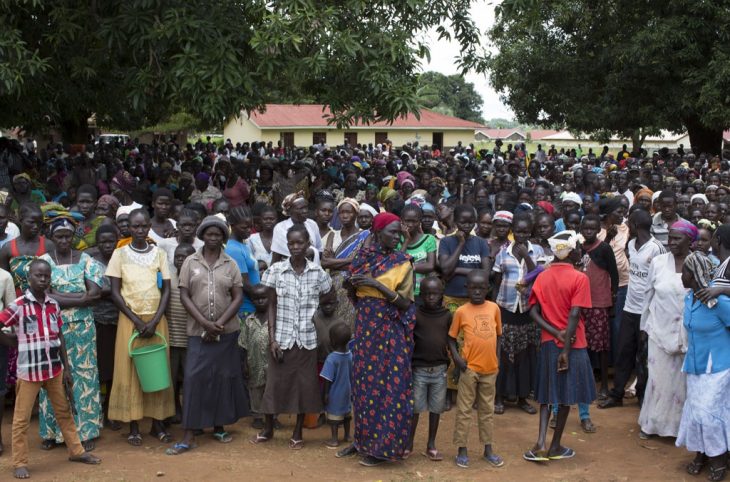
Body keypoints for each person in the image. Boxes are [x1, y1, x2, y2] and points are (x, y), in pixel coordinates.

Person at [0, 259, 100, 479]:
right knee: (21, 420)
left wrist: (67, 368)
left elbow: (60, 335)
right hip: (29, 372)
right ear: (29, 278)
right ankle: (20, 462)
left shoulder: (53, 304)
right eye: (39, 275)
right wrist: (11, 341)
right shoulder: (18, 305)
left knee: (64, 413)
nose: (43, 279)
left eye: (46, 276)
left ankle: (76, 451)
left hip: (54, 369)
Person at [338, 212, 416, 466]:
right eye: (392, 232)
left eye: (398, 233)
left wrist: (379, 286)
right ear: (377, 232)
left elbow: (405, 303)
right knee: (363, 385)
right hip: (365, 328)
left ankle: (382, 448)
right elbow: (354, 292)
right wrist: (352, 283)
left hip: (390, 331)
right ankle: (362, 441)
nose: (396, 236)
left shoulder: (403, 262)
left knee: (388, 386)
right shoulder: (363, 258)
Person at [168, 216, 248, 454]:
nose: (213, 238)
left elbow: (238, 297)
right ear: (201, 236)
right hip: (197, 332)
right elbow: (184, 296)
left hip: (226, 333)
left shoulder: (230, 263)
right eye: (209, 234)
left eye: (218, 234)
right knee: (193, 379)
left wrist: (219, 324)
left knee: (222, 378)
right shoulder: (190, 262)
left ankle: (219, 426)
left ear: (223, 237)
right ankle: (189, 434)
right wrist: (204, 323)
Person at [251, 224, 332, 449]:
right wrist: (272, 338)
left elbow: (329, 296)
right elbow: (271, 306)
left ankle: (297, 432)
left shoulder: (318, 273)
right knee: (274, 384)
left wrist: (314, 314)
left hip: (307, 339)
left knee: (304, 387)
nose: (295, 247)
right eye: (291, 243)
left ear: (308, 244)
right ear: (286, 245)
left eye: (300, 243)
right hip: (282, 338)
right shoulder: (276, 270)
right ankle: (267, 429)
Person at [106, 208, 175, 446]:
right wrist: (136, 320)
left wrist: (155, 320)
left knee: (157, 371)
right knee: (130, 370)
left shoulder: (158, 253)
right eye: (135, 226)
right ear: (128, 227)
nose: (140, 230)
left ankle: (158, 424)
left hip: (156, 319)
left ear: (149, 227)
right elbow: (115, 292)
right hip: (130, 320)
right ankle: (133, 426)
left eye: (144, 226)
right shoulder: (120, 254)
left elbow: (166, 288)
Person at [525, 230, 595, 462]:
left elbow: (533, 311)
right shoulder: (579, 278)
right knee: (565, 396)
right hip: (572, 344)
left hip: (548, 341)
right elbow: (575, 313)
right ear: (572, 252)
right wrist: (565, 345)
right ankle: (555, 446)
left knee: (546, 394)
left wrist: (554, 331)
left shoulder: (542, 277)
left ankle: (540, 443)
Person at [38, 218, 104, 452]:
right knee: (53, 375)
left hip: (83, 328)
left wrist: (59, 296)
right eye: (59, 237)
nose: (64, 240)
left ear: (74, 236)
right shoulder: (44, 262)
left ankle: (86, 431)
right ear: (52, 238)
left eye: (68, 236)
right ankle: (52, 432)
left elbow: (94, 294)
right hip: (53, 327)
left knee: (84, 375)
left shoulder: (87, 260)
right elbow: (45, 297)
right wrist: (80, 297)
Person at [599, 209, 665, 409]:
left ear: (636, 226)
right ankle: (617, 394)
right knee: (623, 352)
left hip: (648, 312)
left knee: (644, 356)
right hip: (629, 308)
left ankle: (642, 396)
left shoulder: (656, 248)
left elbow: (660, 279)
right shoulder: (630, 244)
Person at [676, 252, 730, 481]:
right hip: (695, 364)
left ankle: (718, 458)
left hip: (718, 365)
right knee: (695, 411)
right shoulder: (690, 298)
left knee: (709, 413)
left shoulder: (719, 302)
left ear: (694, 274)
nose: (681, 274)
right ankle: (702, 453)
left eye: (685, 271)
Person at [637, 221, 693, 439]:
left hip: (687, 333)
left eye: (678, 238)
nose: (672, 242)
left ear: (690, 240)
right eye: (670, 237)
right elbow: (648, 295)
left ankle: (679, 429)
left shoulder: (698, 263)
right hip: (658, 330)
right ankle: (652, 425)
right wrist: (644, 326)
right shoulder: (659, 262)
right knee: (657, 380)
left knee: (681, 383)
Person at [448, 270, 504, 469]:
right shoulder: (461, 311)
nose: (478, 292)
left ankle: (488, 449)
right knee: (464, 410)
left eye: (481, 288)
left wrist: (497, 358)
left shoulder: (494, 308)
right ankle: (461, 449)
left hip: (490, 369)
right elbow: (451, 338)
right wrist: (457, 359)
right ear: (467, 288)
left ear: (488, 288)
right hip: (469, 368)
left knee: (487, 410)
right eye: (473, 288)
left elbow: (498, 335)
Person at [492, 215, 543, 415]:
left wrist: (527, 257)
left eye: (526, 232)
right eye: (519, 231)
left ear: (530, 232)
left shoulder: (536, 251)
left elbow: (539, 275)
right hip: (506, 308)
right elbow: (496, 282)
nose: (522, 235)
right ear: (513, 230)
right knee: (503, 356)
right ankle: (500, 397)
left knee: (524, 356)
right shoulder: (503, 253)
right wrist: (495, 308)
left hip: (528, 310)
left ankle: (522, 398)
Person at [406, 277, 451, 461]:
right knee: (415, 409)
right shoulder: (416, 314)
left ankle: (431, 444)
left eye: (435, 294)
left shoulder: (447, 315)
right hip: (419, 369)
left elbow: (450, 340)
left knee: (436, 409)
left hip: (439, 370)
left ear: (441, 295)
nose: (431, 297)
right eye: (427, 294)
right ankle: (409, 443)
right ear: (421, 295)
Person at [89, 224, 121, 430]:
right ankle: (94, 412)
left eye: (111, 241)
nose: (108, 245)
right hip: (96, 321)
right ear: (97, 243)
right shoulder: (90, 262)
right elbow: (92, 292)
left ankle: (110, 410)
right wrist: (114, 292)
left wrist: (107, 291)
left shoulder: (122, 259)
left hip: (119, 320)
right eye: (103, 242)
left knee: (113, 369)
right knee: (97, 369)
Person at [322, 198, 369, 327]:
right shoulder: (332, 235)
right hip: (333, 286)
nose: (345, 215)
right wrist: (353, 261)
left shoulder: (365, 235)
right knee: (334, 322)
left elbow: (363, 262)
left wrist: (334, 261)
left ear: (356, 214)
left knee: (351, 322)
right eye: (341, 212)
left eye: (348, 212)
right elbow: (325, 263)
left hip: (353, 287)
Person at [165, 243, 195, 424]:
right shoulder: (168, 277)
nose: (180, 260)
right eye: (177, 257)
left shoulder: (195, 279)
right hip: (172, 336)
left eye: (184, 257)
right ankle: (175, 407)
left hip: (190, 336)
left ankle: (189, 410)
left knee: (189, 377)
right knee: (173, 376)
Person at [240, 285, 274, 430]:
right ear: (252, 301)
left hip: (271, 364)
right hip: (254, 362)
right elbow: (243, 344)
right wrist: (244, 364)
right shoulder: (249, 321)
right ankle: (257, 416)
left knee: (271, 390)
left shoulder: (275, 320)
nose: (260, 301)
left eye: (263, 298)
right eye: (256, 299)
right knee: (255, 390)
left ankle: (273, 416)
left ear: (270, 299)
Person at [320, 323, 353, 448]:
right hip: (347, 392)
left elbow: (328, 379)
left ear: (332, 341)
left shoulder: (331, 358)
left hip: (335, 393)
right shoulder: (350, 355)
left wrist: (326, 393)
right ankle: (347, 435)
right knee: (347, 415)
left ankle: (334, 439)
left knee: (334, 417)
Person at [225, 206, 260, 318]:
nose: (249, 230)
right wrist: (263, 301)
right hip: (245, 309)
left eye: (250, 227)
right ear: (232, 224)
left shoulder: (243, 245)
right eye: (244, 227)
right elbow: (244, 284)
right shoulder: (234, 249)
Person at [398, 204, 437, 303]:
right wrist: (406, 240)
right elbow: (396, 263)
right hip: (401, 291)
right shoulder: (397, 239)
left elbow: (430, 265)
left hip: (422, 291)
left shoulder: (429, 239)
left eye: (414, 221)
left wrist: (406, 266)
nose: (410, 224)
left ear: (419, 221)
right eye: (407, 221)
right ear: (401, 220)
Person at [270, 192, 322, 263]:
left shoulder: (312, 224)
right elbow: (276, 255)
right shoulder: (280, 228)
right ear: (290, 211)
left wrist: (313, 251)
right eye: (300, 208)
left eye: (306, 207)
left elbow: (320, 250)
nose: (305, 211)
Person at [0, 264, 18, 456]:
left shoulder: (4, 277)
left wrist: (13, 340)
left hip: (0, 339)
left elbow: (11, 309)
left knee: (0, 390)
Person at [249, 203, 276, 272]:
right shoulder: (252, 239)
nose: (268, 221)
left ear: (276, 220)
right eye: (265, 219)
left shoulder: (281, 238)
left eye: (271, 219)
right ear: (260, 220)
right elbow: (249, 262)